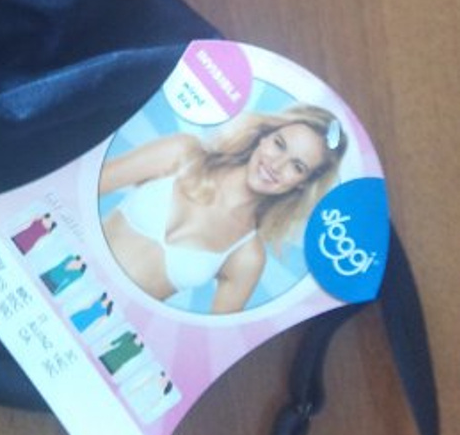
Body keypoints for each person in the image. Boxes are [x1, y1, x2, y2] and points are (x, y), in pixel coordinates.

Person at [99, 103, 347, 313]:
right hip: (75, 263)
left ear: (304, 183)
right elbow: (87, 184)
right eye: (279, 144)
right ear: (263, 136)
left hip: (106, 329)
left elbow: (210, 338)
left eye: (297, 166)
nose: (276, 164)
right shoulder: (182, 153)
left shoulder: (247, 256)